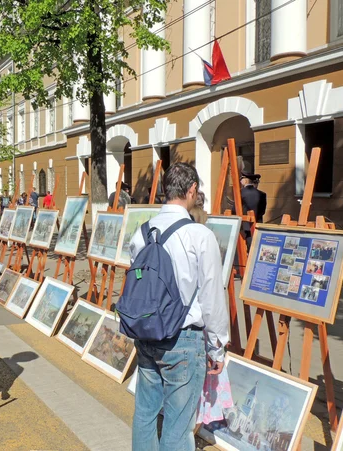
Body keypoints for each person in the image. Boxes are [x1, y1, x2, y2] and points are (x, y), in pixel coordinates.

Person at [129, 163, 229, 451]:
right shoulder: (200, 236)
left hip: (146, 334)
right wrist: (216, 347)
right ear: (192, 190)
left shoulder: (142, 232)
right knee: (178, 426)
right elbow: (212, 298)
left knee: (145, 415)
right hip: (183, 340)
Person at [239, 172, 267, 249]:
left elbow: (235, 210)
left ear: (245, 181)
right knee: (256, 248)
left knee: (246, 250)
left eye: (241, 179)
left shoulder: (240, 193)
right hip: (258, 225)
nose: (240, 181)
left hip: (244, 227)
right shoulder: (262, 194)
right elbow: (263, 211)